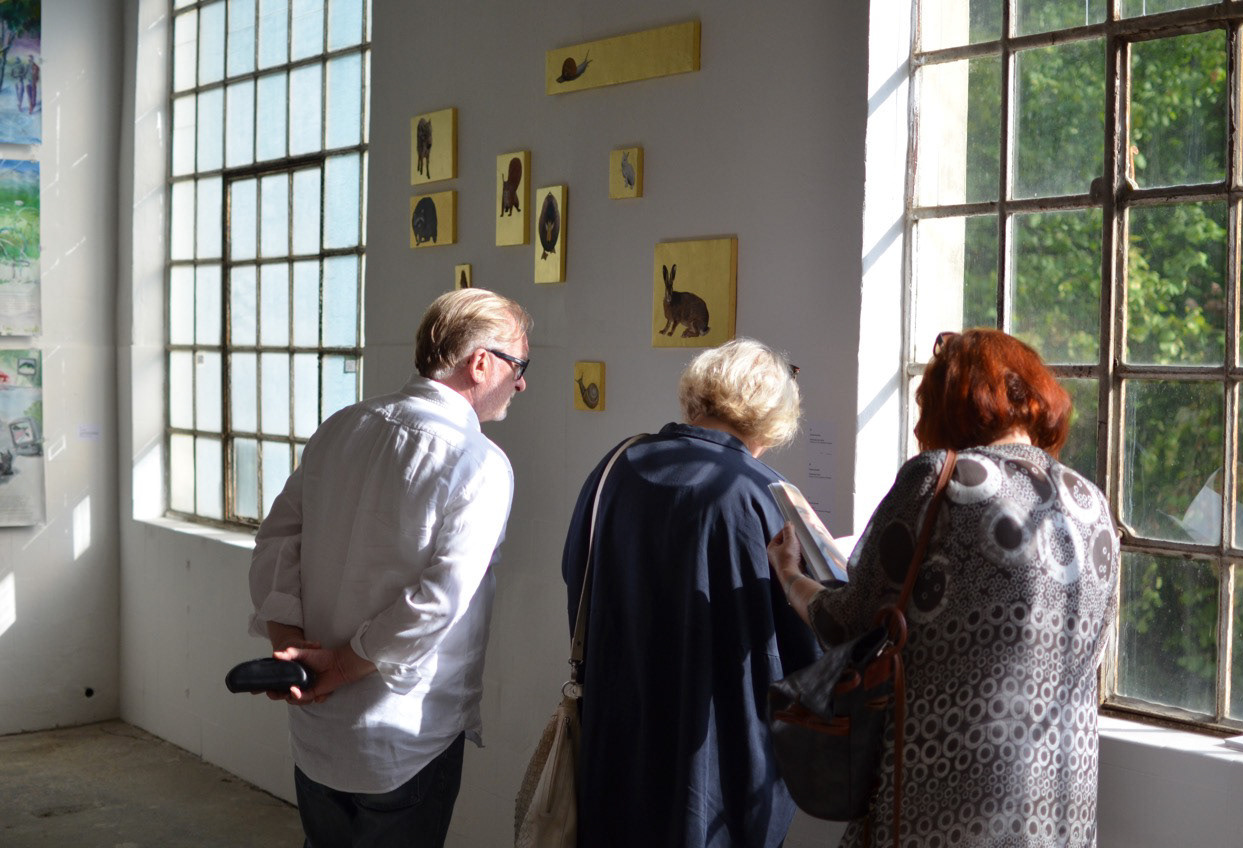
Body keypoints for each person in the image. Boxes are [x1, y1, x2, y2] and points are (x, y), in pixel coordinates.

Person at [769, 328, 1119, 848]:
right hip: (1058, 802)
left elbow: (849, 621)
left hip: (948, 794)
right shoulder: (1090, 503)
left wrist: (791, 575)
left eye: (926, 404)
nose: (918, 425)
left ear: (954, 403)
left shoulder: (939, 479)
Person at [248, 288, 532, 848]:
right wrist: (339, 665)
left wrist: (289, 643)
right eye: (518, 366)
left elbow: (276, 539)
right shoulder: (478, 462)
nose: (520, 383)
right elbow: (440, 599)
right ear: (480, 363)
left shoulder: (343, 426)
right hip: (402, 736)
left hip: (316, 723)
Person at [562, 338, 822, 848]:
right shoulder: (762, 495)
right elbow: (806, 645)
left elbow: (578, 575)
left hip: (616, 733)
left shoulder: (615, 467)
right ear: (771, 416)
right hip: (718, 754)